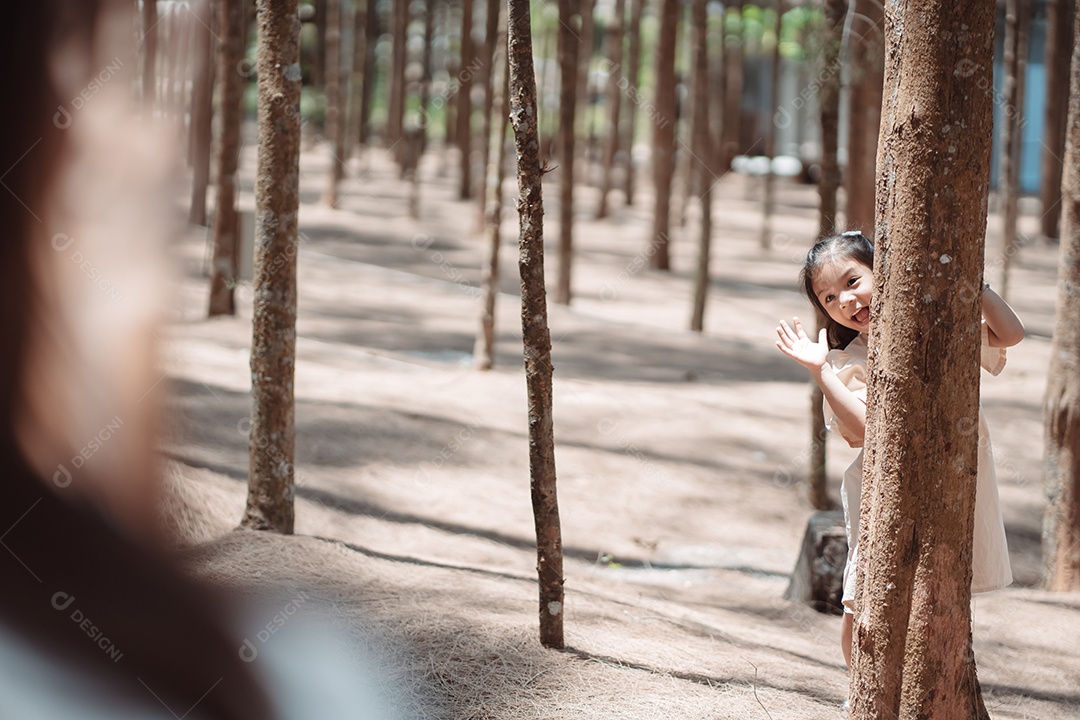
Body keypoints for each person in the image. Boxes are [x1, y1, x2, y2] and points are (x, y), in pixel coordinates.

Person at [773, 231, 1024, 668]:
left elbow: (1010, 334)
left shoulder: (936, 324)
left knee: (937, 591)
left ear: (884, 270)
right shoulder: (844, 358)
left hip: (954, 470)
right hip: (884, 485)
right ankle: (865, 696)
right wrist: (820, 373)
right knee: (864, 600)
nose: (846, 302)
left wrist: (973, 283)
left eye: (853, 282)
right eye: (829, 298)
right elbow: (867, 430)